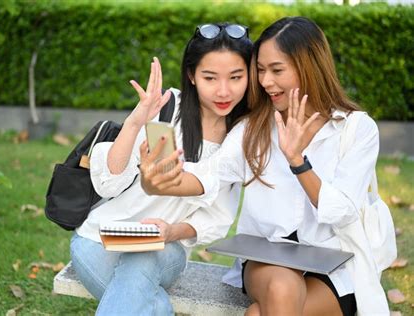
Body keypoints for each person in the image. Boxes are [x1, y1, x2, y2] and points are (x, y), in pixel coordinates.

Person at [140, 17, 392, 315]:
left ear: (309, 66)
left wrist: (298, 161)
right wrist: (163, 179)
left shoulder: (356, 129)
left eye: (276, 70)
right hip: (265, 259)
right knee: (281, 288)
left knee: (257, 313)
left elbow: (342, 211)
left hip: (334, 265)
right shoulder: (254, 126)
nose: (265, 81)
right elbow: (211, 174)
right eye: (260, 70)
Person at [70, 22, 253, 315]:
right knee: (149, 304)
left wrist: (169, 233)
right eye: (210, 77)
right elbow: (110, 183)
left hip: (165, 249)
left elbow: (216, 217)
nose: (223, 91)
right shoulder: (168, 107)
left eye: (235, 77)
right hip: (98, 239)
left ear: (249, 76)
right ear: (192, 75)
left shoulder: (243, 133)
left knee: (142, 260)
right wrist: (134, 122)